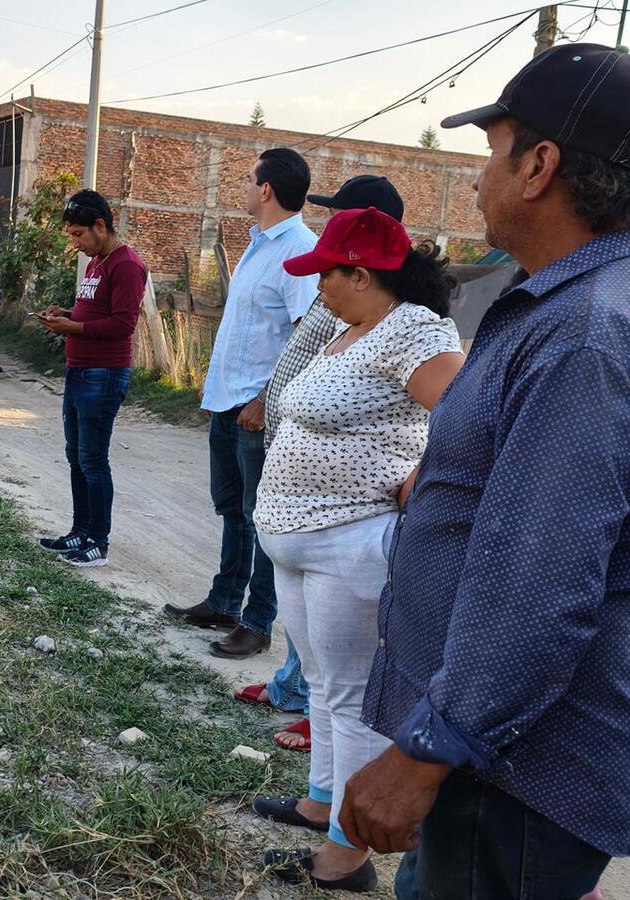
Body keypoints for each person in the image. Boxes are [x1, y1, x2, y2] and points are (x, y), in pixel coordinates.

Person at [341, 43, 630, 899]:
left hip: (513, 773)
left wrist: (431, 749)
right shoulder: (573, 306)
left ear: (540, 165)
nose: (476, 177)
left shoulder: (584, 334)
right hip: (504, 758)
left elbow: (538, 579)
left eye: (491, 148)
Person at [252, 207, 464, 892]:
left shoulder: (415, 332)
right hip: (299, 540)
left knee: (352, 697)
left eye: (326, 276)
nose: (318, 288)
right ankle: (322, 801)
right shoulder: (351, 330)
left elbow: (469, 425)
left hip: (350, 542)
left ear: (362, 273)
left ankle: (346, 856)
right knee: (321, 681)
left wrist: (417, 479)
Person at [234, 175, 408, 755]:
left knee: (342, 683)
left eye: (341, 215)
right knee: (318, 659)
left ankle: (341, 828)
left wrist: (417, 479)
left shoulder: (399, 321)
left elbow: (452, 412)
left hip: (343, 526)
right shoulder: (348, 305)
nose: (327, 222)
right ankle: (298, 703)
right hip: (297, 511)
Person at [163, 149, 319, 659]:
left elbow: (309, 339)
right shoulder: (258, 246)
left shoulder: (299, 251)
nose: (244, 188)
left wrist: (263, 400)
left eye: (249, 180)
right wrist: (220, 394)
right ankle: (225, 601)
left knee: (261, 518)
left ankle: (258, 622)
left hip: (258, 411)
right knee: (231, 509)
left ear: (267, 189)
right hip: (229, 403)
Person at [35, 189, 147, 568]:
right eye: (71, 235)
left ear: (101, 225)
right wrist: (65, 315)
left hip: (104, 374)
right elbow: (95, 311)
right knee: (76, 457)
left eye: (79, 234)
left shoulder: (126, 264)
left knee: (93, 459)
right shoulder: (98, 263)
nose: (75, 242)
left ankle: (98, 541)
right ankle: (80, 532)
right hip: (79, 370)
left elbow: (123, 323)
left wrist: (74, 327)